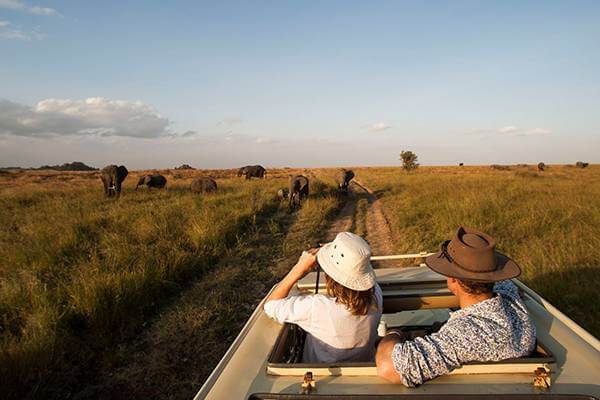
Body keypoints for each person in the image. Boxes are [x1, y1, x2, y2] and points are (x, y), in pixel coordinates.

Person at [376, 227, 536, 386]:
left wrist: (393, 333)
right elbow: (503, 282)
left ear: (452, 280)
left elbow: (388, 368)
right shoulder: (511, 300)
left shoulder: (466, 334)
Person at [264, 232, 383, 363]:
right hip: (363, 365)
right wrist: (337, 255)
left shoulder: (317, 307)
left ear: (330, 277)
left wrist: (300, 268)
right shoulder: (376, 294)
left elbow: (270, 306)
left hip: (318, 373)